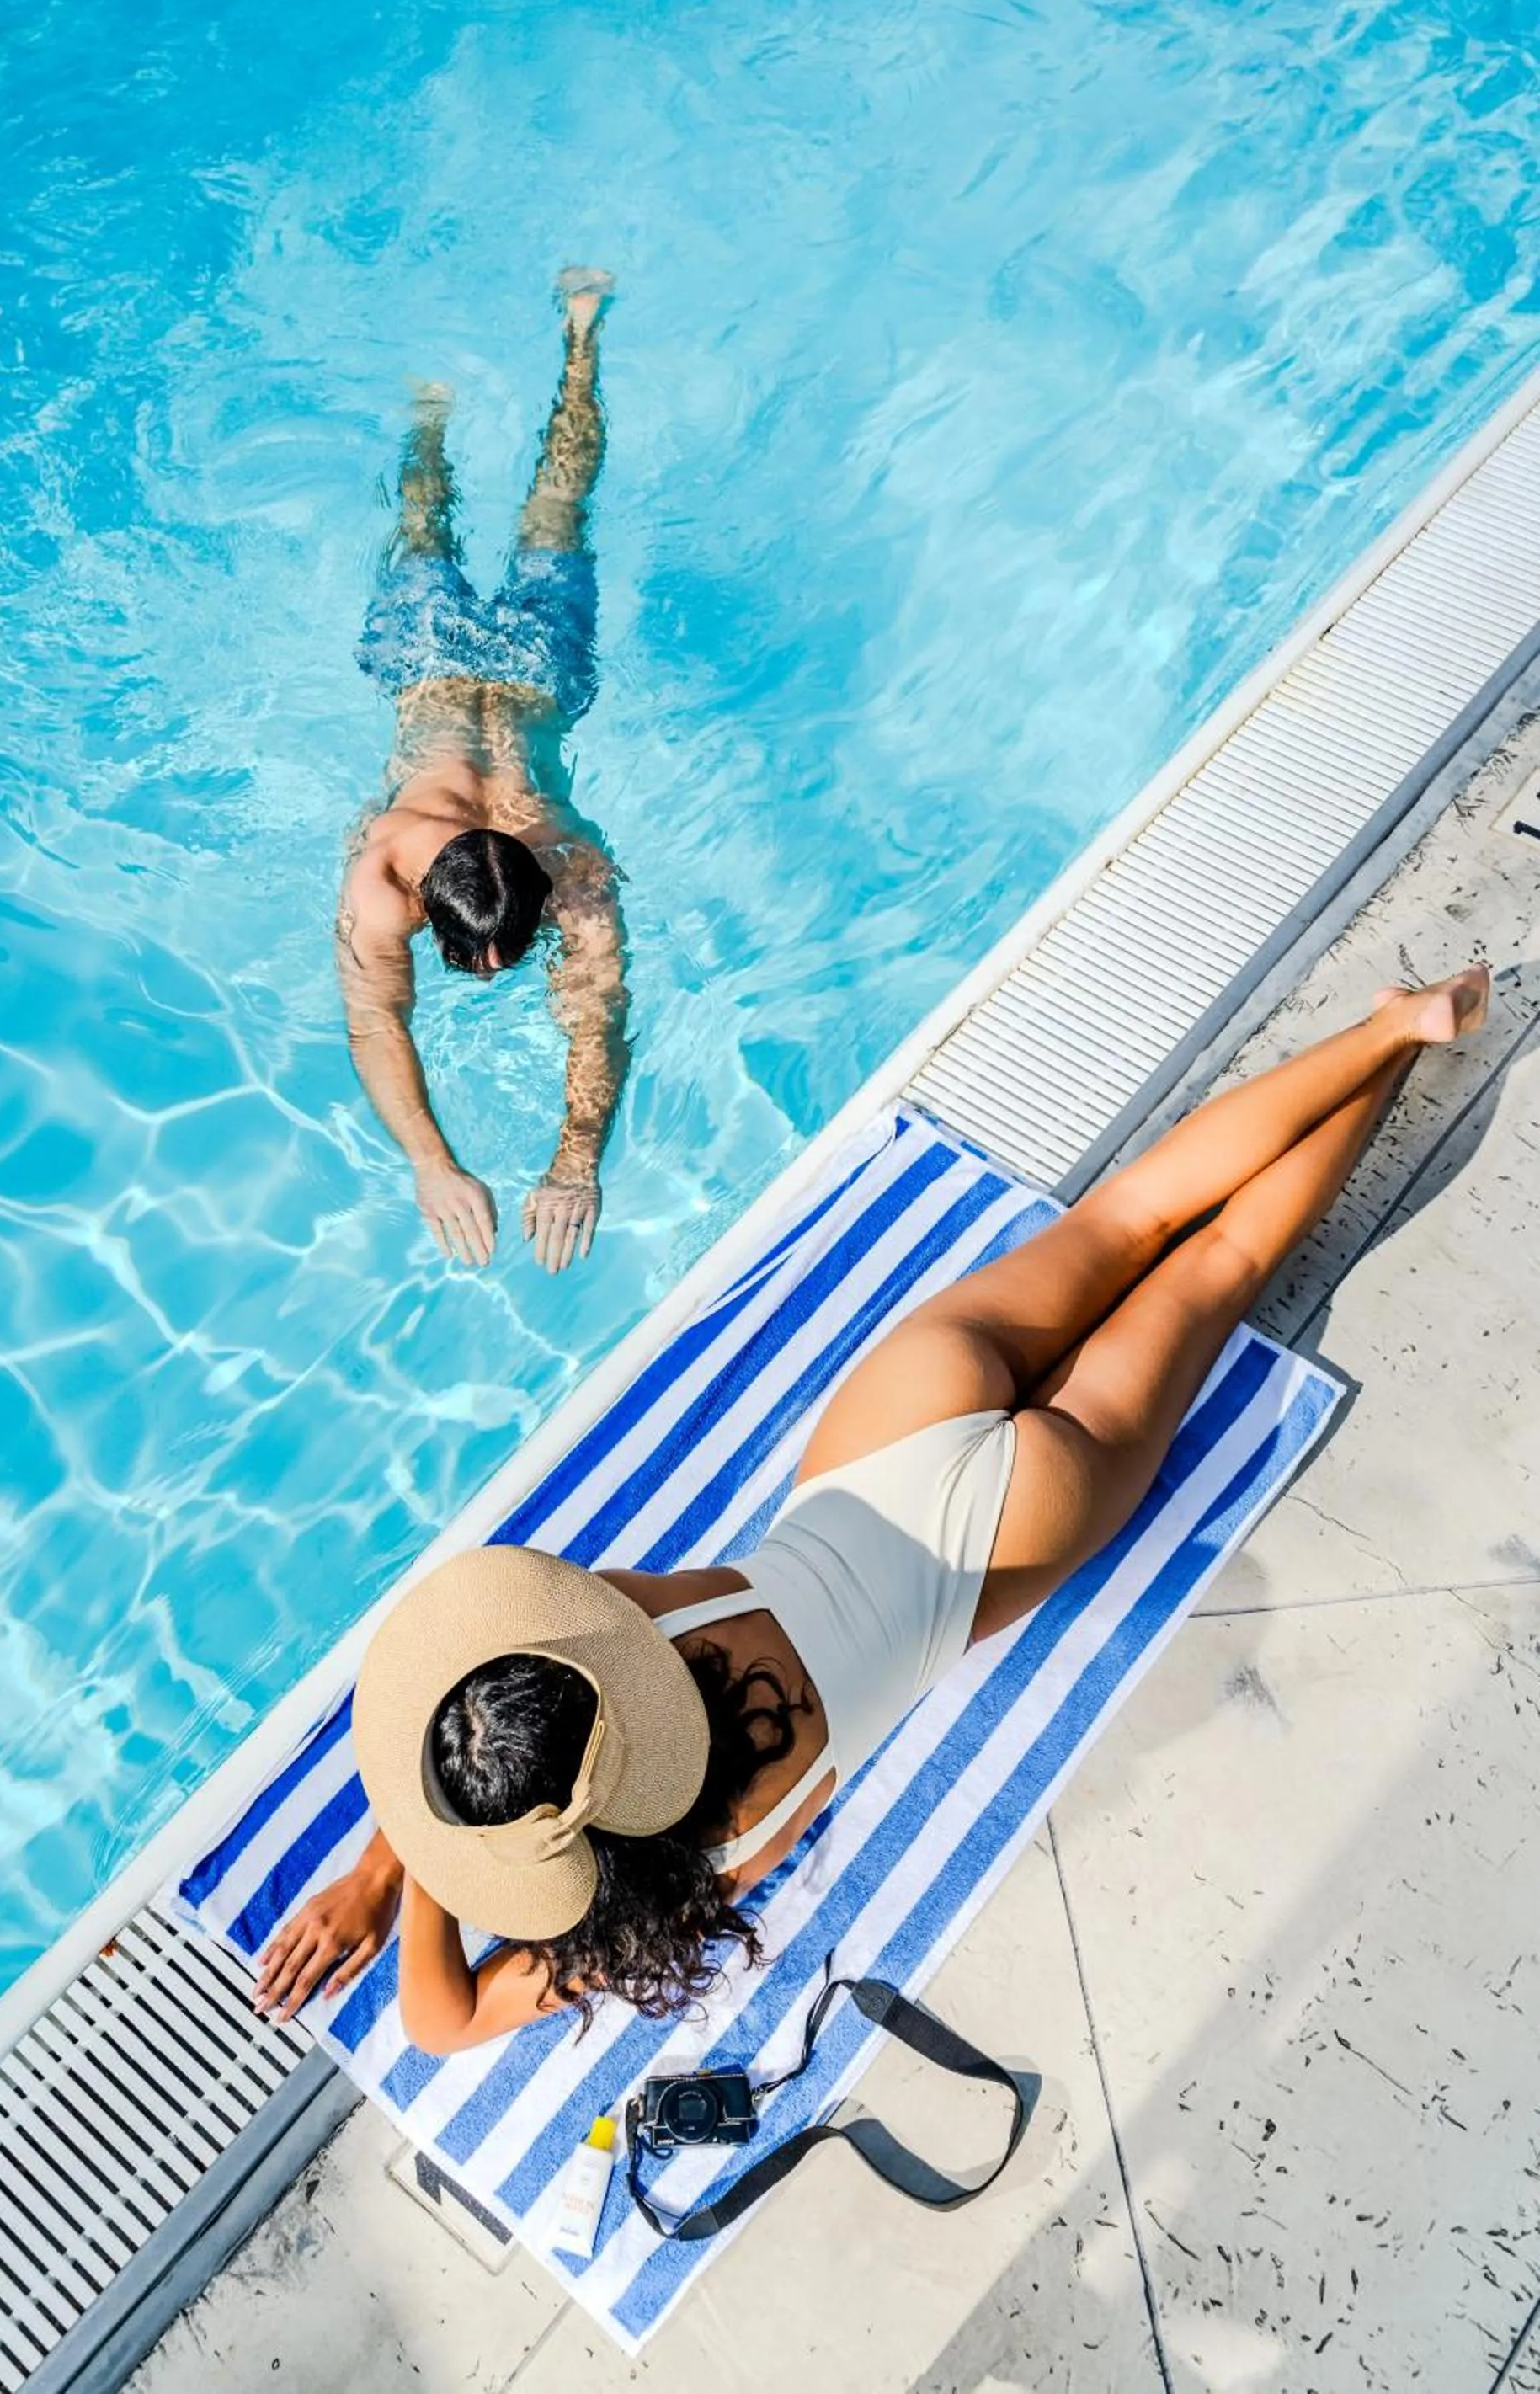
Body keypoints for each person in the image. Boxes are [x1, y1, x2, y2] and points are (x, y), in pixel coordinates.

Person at [254, 967, 1490, 2040]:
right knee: (1136, 1218)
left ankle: (1397, 1061)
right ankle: (1387, 1025)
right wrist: (395, 1837)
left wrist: (418, 1873)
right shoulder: (618, 1623)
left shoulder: (700, 1866)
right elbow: (501, 1659)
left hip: (1013, 1528)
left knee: (1221, 1270)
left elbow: (445, 2021)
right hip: (888, 1430)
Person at [338, 269, 627, 1275]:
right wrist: (551, 1161)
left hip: (499, 674)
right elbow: (594, 1007)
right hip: (457, 671)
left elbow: (378, 1015)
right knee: (546, 512)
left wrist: (564, 1162)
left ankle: (438, 417)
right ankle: (574, 337)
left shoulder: (390, 871)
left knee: (513, 519)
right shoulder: (564, 864)